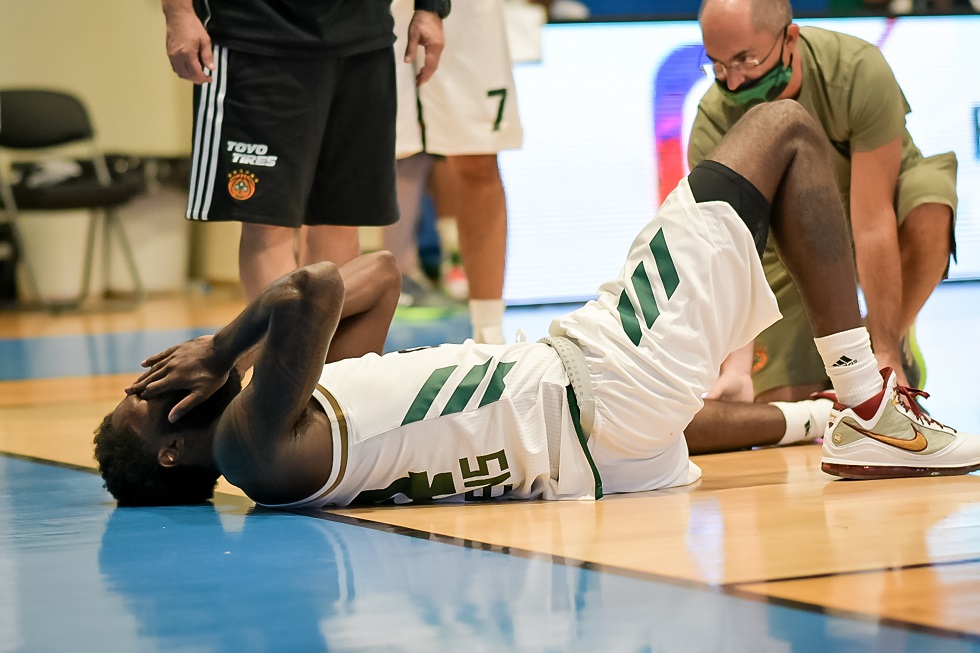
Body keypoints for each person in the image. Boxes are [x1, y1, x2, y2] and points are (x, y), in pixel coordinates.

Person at [94, 102, 980, 509]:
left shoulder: (292, 437)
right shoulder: (249, 449)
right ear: (173, 451)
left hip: (601, 447)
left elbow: (380, 277)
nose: (153, 376)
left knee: (666, 396)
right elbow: (312, 286)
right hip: (594, 385)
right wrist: (221, 347)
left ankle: (823, 419)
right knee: (782, 131)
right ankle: (869, 404)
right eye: (144, 398)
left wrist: (252, 355)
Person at [689, 0, 957, 403]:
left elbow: (872, 220)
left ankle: (889, 335)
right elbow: (734, 254)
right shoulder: (712, 124)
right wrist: (737, 367)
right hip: (789, 239)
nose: (733, 81)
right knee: (791, 403)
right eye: (719, 65)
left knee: (929, 208)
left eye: (745, 59)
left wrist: (883, 352)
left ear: (789, 38)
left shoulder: (857, 70)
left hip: (876, 200)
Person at [162, 0, 445, 302]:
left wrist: (430, 8)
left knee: (341, 220)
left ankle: (327, 335)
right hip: (256, 35)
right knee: (268, 221)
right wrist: (178, 12)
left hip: (365, 39)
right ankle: (282, 336)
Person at [386, 0, 523, 343]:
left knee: (476, 156)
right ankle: (337, 346)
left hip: (464, 14)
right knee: (365, 157)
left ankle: (489, 334)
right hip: (374, 14)